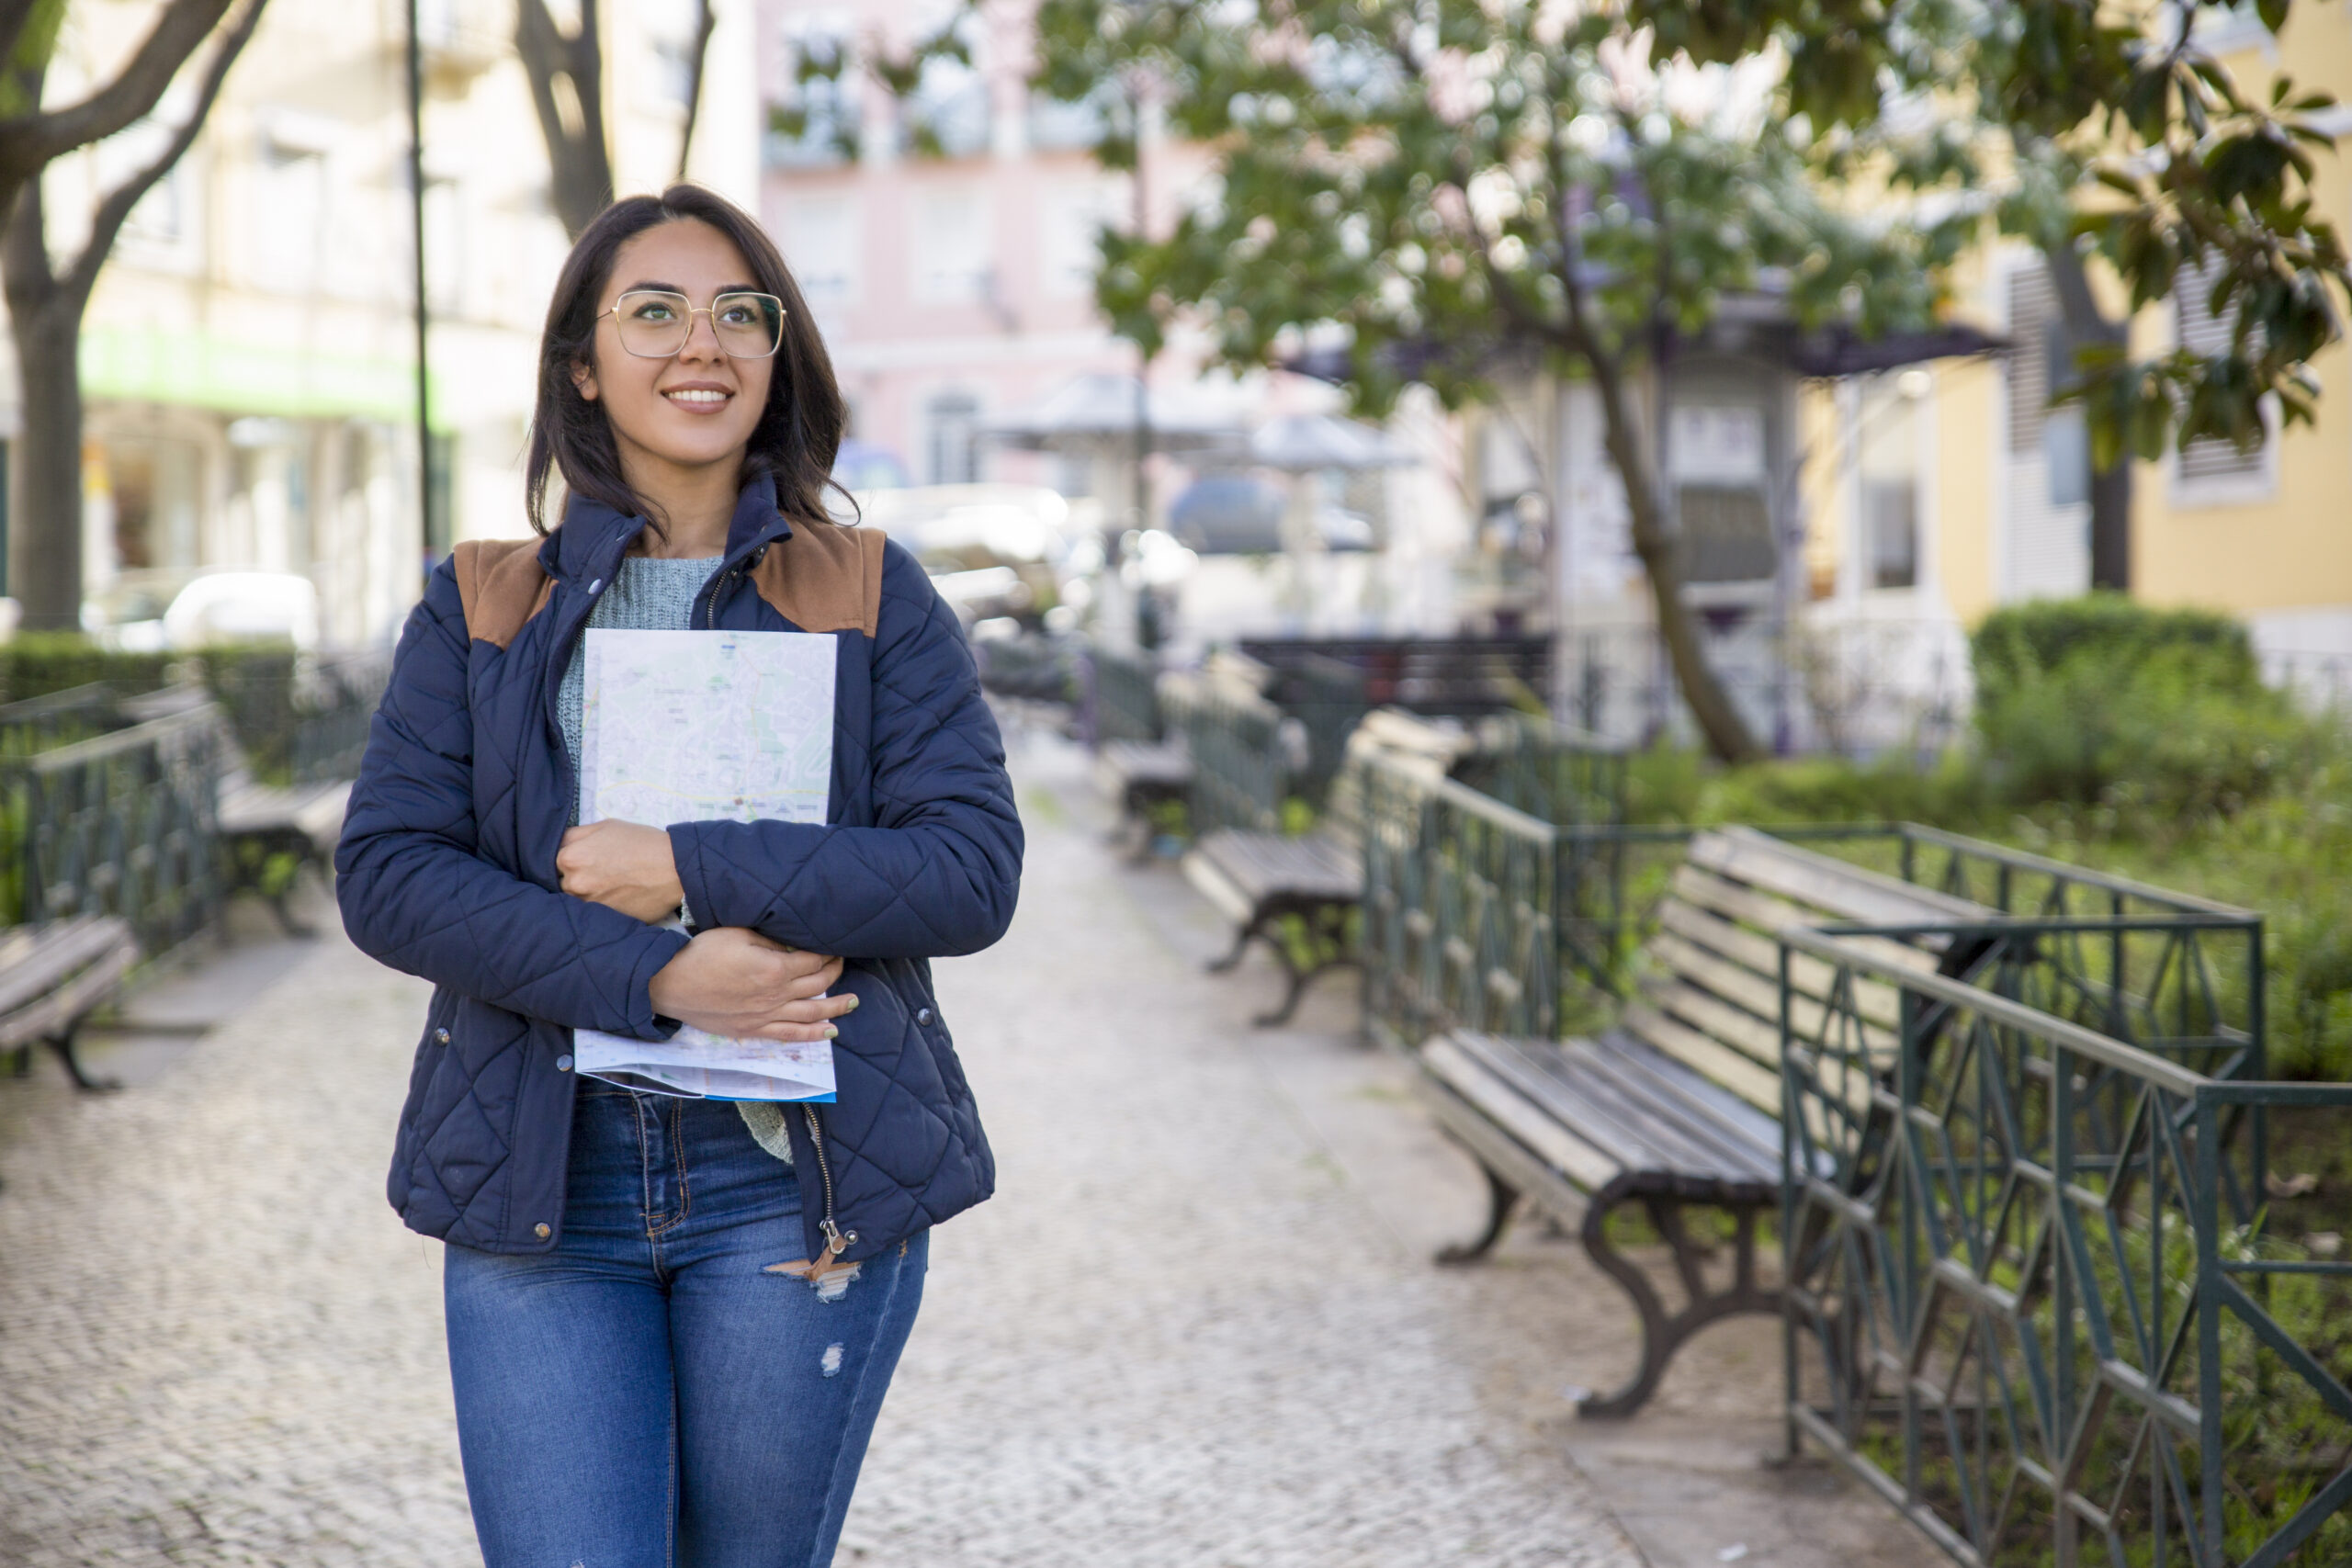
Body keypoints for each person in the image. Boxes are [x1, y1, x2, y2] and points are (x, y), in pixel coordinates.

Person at [335, 184, 1022, 1567]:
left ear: (776, 358)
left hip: (792, 1185)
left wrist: (688, 866)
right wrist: (657, 973)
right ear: (583, 366)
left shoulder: (872, 591)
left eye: (736, 314)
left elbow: (969, 870)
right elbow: (392, 875)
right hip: (547, 1184)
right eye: (652, 312)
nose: (698, 343)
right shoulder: (480, 601)